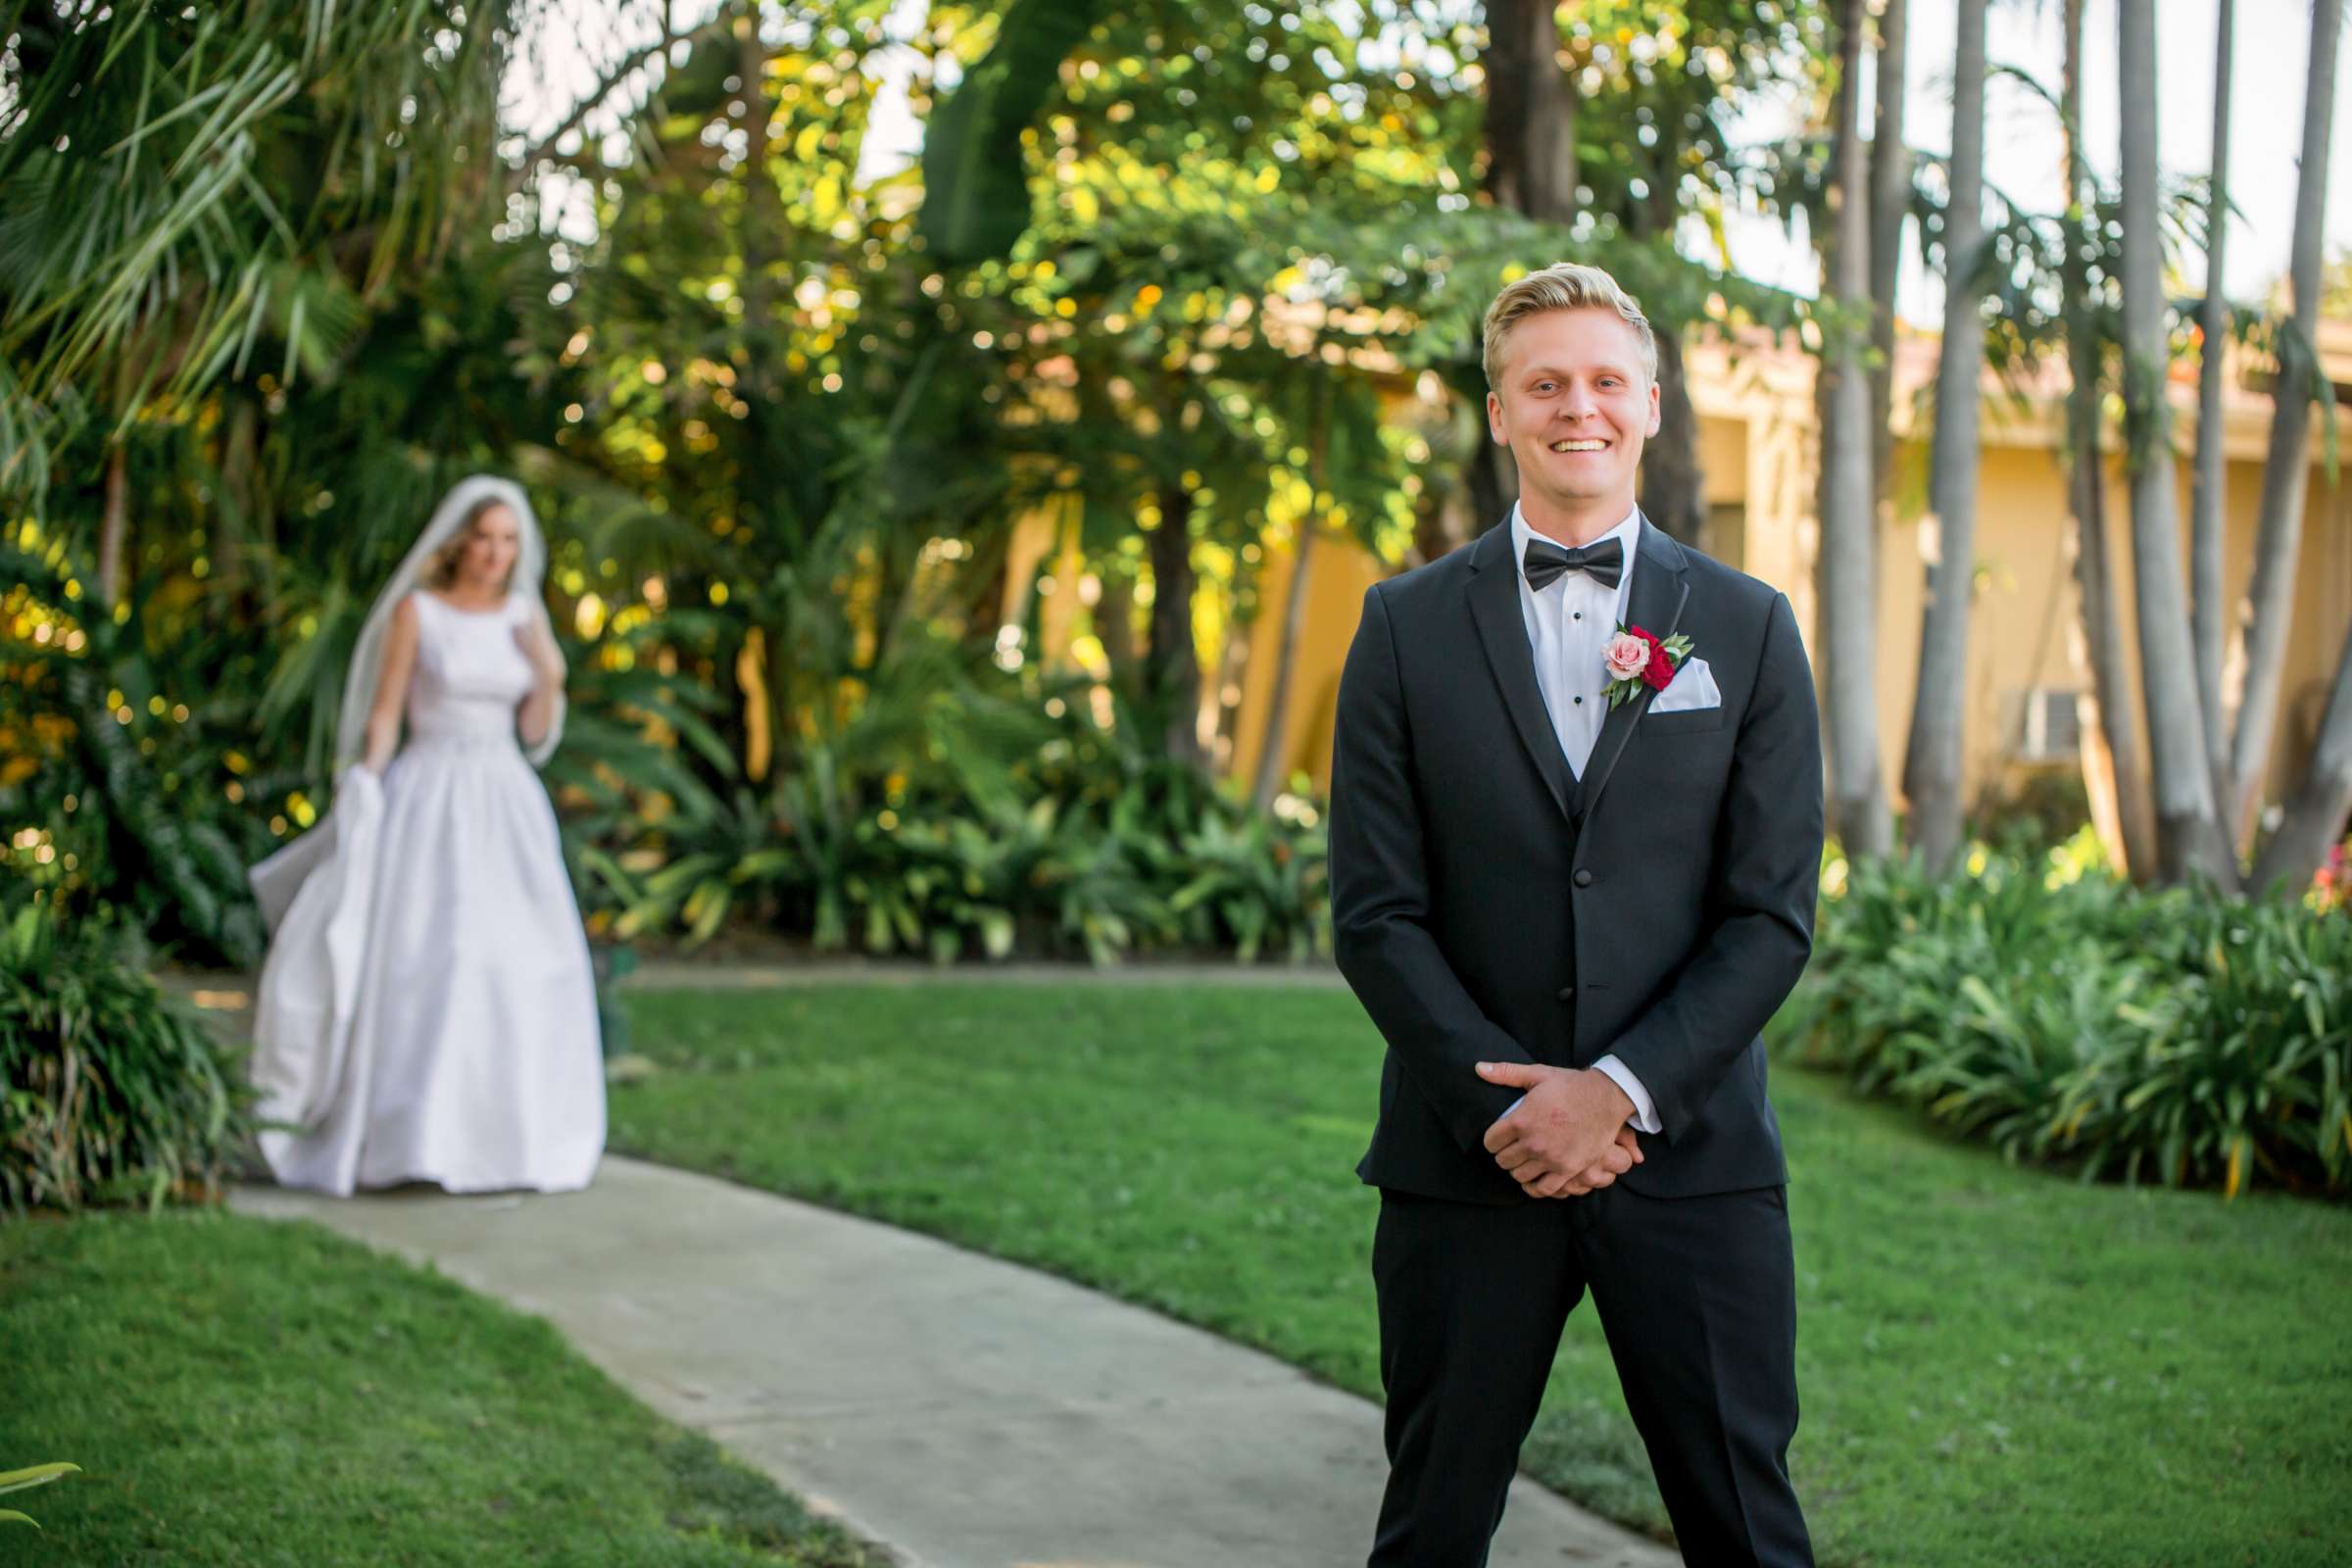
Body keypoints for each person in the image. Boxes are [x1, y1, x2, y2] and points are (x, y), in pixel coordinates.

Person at [1328, 264, 1824, 1566]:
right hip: (1465, 1167)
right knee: (1430, 1528)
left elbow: (1770, 915)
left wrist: (1614, 1089)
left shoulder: (1751, 628)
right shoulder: (1399, 628)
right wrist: (1509, 1109)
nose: (1577, 408)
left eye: (1605, 381)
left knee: (1749, 1533)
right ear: (1499, 412)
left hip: (1692, 1161)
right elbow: (1377, 913)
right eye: (1544, 383)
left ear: (1651, 406)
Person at [246, 476, 606, 1197]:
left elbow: (535, 735)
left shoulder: (524, 616)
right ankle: (412, 1139)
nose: (496, 554)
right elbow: (387, 711)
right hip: (430, 792)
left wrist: (550, 675)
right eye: (485, 538)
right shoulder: (420, 611)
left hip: (505, 798)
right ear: (459, 541)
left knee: (516, 963)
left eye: (509, 541)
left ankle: (507, 1141)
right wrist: (366, 782)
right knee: (432, 955)